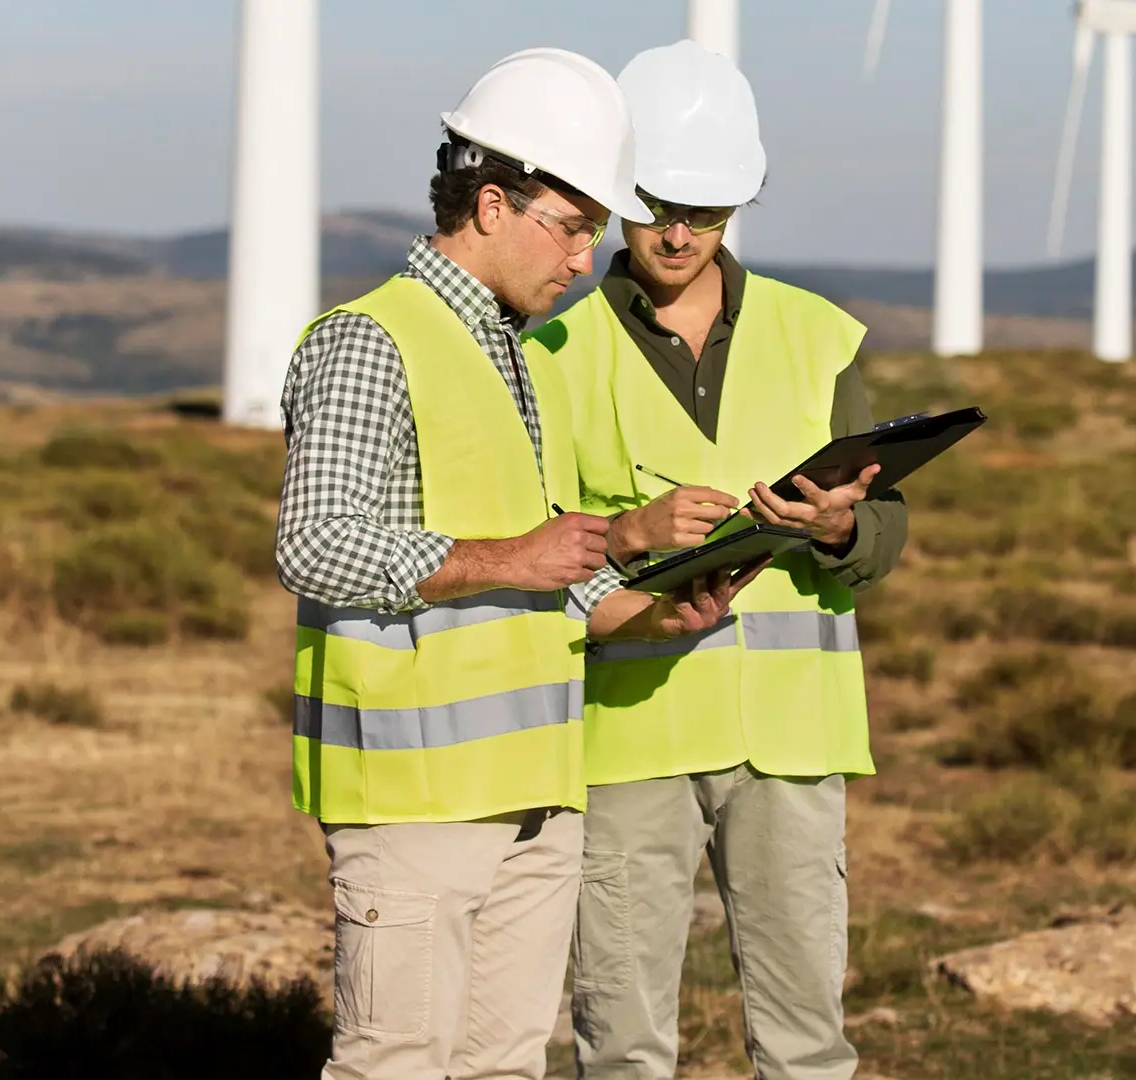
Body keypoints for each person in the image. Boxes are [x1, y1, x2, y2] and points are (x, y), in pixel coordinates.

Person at [276, 47, 755, 1080]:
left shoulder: (504, 351)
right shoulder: (371, 341)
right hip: (416, 803)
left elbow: (537, 573)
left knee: (503, 1067)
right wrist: (514, 554)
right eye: (573, 224)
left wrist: (646, 613)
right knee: (393, 1063)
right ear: (491, 203)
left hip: (534, 793)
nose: (586, 258)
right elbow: (313, 543)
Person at [524, 39, 909, 1080]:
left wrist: (835, 528)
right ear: (616, 196)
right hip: (626, 740)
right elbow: (533, 560)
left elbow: (882, 534)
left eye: (709, 210)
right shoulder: (549, 357)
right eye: (657, 206)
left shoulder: (819, 337)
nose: (681, 232)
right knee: (624, 1046)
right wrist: (634, 533)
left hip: (791, 739)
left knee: (805, 1044)